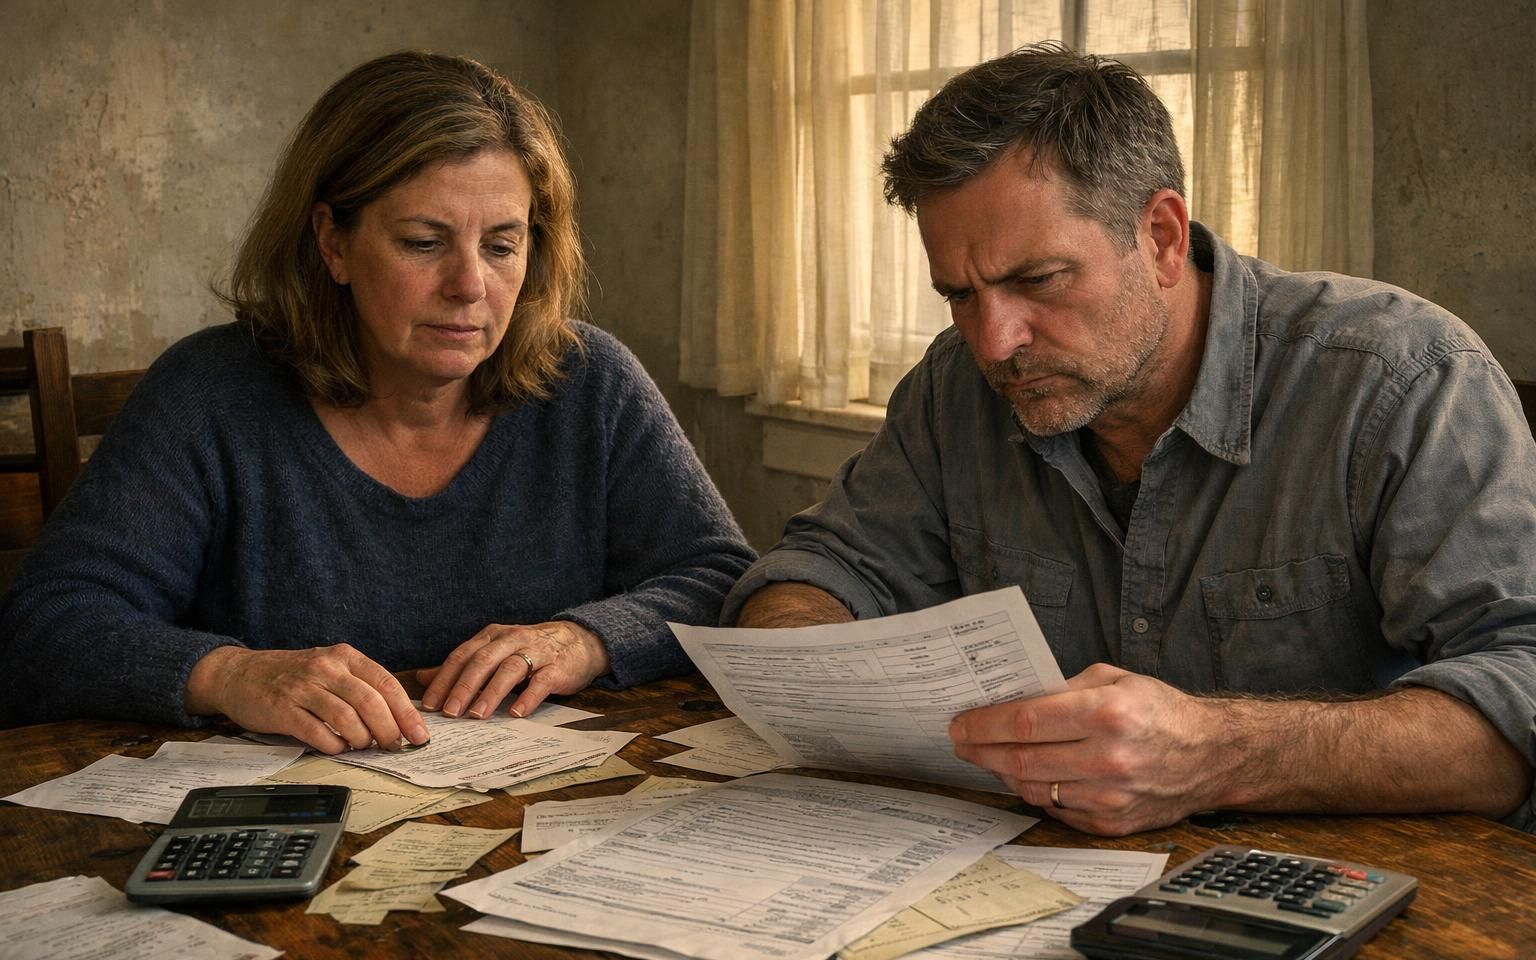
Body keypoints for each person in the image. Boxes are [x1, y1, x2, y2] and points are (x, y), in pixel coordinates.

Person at [724, 43, 1536, 836]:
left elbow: (1518, 701)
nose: (995, 341)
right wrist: (812, 664)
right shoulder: (955, 387)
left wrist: (1220, 753)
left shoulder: (1404, 381)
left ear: (1162, 237)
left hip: (1367, 908)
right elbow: (820, 567)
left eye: (1036, 280)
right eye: (959, 295)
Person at [0, 51, 754, 753]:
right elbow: (42, 629)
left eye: (501, 245)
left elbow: (721, 578)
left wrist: (586, 638)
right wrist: (230, 674)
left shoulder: (590, 381)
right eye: (424, 242)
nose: (470, 286)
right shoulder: (211, 395)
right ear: (331, 241)